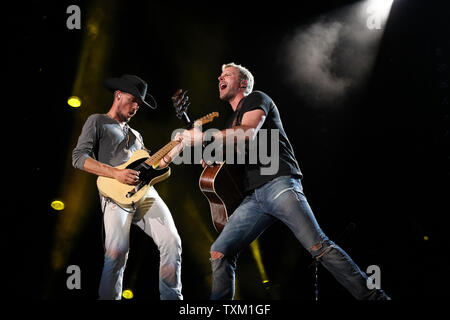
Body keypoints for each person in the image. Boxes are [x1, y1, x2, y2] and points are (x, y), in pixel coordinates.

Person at [179, 63, 390, 300]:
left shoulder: (256, 98)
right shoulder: (230, 123)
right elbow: (216, 166)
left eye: (227, 74)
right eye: (219, 75)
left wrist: (206, 136)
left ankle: (376, 298)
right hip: (254, 198)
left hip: (279, 183)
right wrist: (198, 146)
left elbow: (247, 133)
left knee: (318, 246)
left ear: (243, 83)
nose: (220, 77)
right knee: (220, 251)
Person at [72, 74, 183, 300]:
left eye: (139, 104)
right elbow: (78, 158)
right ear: (118, 94)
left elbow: (157, 165)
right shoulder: (97, 121)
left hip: (144, 193)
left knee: (172, 241)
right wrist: (117, 173)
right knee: (116, 254)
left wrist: (178, 147)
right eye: (133, 100)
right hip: (114, 193)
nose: (135, 107)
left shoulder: (137, 136)